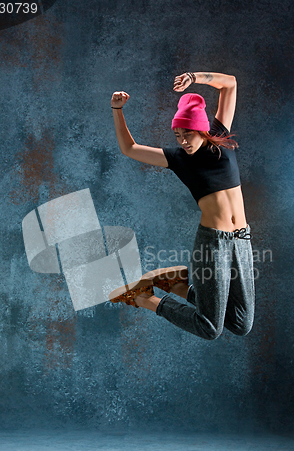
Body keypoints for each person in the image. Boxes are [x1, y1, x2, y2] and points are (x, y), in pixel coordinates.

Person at [109, 72, 255, 341]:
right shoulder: (178, 159)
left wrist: (194, 77)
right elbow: (129, 148)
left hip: (242, 238)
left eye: (187, 133)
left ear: (201, 129)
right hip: (214, 241)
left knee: (242, 323)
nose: (182, 140)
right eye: (177, 135)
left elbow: (231, 83)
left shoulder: (219, 138)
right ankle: (144, 298)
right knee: (209, 328)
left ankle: (175, 282)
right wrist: (117, 110)